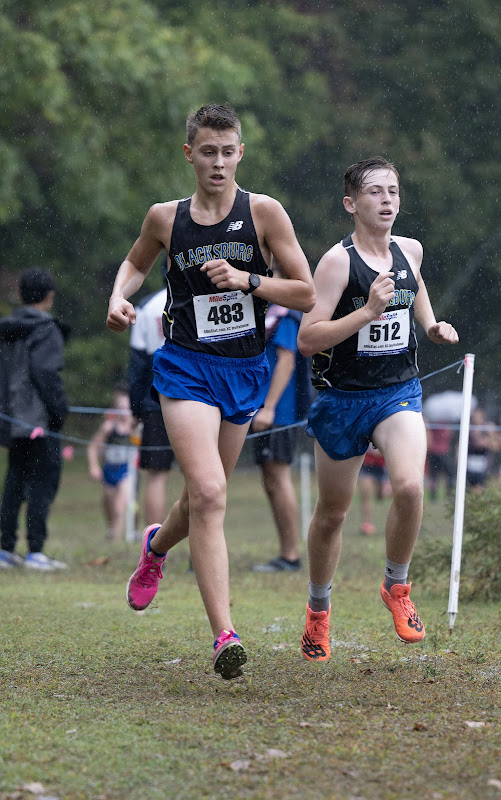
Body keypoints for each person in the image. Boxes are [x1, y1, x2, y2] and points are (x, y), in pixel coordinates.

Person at [106, 103, 315, 680]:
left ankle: (155, 549)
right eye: (208, 152)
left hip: (243, 370)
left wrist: (249, 279)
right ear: (189, 154)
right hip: (185, 367)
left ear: (240, 153)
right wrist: (117, 299)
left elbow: (306, 294)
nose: (218, 163)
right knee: (209, 491)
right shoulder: (165, 218)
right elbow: (133, 266)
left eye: (228, 152)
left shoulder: (265, 213)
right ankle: (225, 634)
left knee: (203, 498)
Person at [297, 157, 458, 662]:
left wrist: (429, 324)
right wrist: (365, 312)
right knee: (333, 513)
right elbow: (307, 338)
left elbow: (415, 289)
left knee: (410, 485)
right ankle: (318, 612)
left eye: (393, 191)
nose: (387, 200)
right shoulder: (337, 263)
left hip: (397, 391)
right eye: (374, 192)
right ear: (351, 204)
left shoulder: (410, 249)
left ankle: (397, 588)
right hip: (342, 398)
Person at [0, 268, 69, 570]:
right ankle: (35, 551)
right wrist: (59, 411)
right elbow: (45, 373)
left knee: (15, 482)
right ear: (49, 296)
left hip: (13, 419)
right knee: (42, 482)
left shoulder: (6, 329)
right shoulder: (46, 329)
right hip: (40, 421)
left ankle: (4, 549)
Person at [251, 295, 302, 572]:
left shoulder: (284, 313)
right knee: (270, 479)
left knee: (279, 478)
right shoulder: (266, 311)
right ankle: (286, 552)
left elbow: (286, 361)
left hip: (278, 412)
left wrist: (269, 408)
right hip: (259, 409)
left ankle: (291, 555)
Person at [128, 277, 175, 528]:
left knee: (157, 476)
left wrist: (136, 407)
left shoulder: (148, 306)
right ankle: (198, 554)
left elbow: (138, 364)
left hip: (156, 399)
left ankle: (153, 550)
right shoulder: (203, 297)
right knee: (199, 479)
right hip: (200, 398)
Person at [87, 384, 135, 541]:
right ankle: (111, 529)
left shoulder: (134, 428)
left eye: (126, 407)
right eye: (120, 407)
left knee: (119, 507)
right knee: (108, 504)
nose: (124, 411)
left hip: (126, 471)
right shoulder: (108, 428)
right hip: (109, 470)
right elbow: (92, 447)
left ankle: (116, 540)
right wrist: (94, 466)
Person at [357, 444, 391, 536]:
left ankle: (388, 492)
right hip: (366, 465)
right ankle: (367, 524)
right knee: (365, 492)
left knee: (381, 496)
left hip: (381, 467)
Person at [466, 406, 500, 492]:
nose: (477, 419)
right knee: (469, 491)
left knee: (479, 490)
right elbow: (458, 447)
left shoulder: (488, 429)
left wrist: (488, 440)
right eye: (475, 416)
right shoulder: (467, 429)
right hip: (468, 467)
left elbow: (497, 447)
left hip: (484, 467)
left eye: (479, 416)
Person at [425, 421, 455, 501]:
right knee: (449, 475)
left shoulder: (434, 421)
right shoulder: (441, 423)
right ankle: (448, 495)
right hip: (441, 452)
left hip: (434, 452)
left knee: (434, 476)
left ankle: (434, 497)